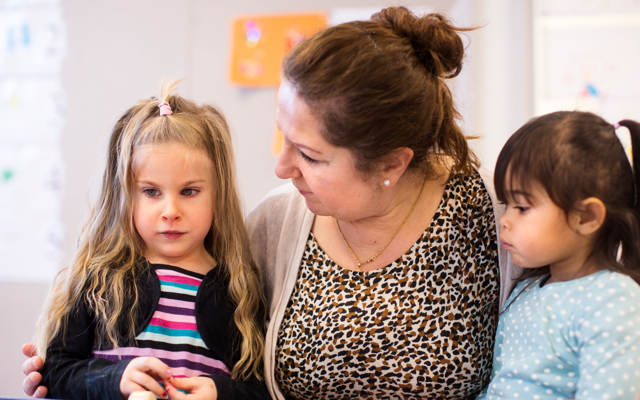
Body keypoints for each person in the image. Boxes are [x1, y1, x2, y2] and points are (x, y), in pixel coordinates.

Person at [23, 7, 519, 399]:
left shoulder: (501, 218)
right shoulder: (275, 224)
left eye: (309, 155)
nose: (281, 169)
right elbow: (73, 368)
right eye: (282, 137)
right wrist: (76, 377)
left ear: (391, 164)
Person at [26, 82, 270, 400]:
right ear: (124, 195)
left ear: (217, 194)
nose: (171, 211)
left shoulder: (239, 290)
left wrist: (219, 392)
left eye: (189, 191)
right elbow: (56, 373)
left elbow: (261, 390)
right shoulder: (97, 278)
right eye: (151, 192)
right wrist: (116, 380)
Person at [477, 112, 640, 400]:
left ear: (587, 217)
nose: (504, 219)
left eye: (522, 207)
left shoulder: (613, 298)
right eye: (506, 203)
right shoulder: (525, 291)